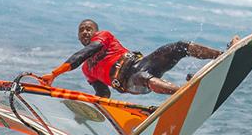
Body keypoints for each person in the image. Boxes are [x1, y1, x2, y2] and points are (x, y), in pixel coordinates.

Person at [40, 19, 239, 97]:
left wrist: (54, 73)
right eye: (81, 30)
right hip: (130, 83)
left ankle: (224, 55)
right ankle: (185, 92)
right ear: (77, 36)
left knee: (179, 46)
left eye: (88, 29)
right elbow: (104, 96)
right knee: (143, 77)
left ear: (96, 32)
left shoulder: (103, 37)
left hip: (139, 63)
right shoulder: (87, 71)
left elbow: (83, 54)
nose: (85, 32)